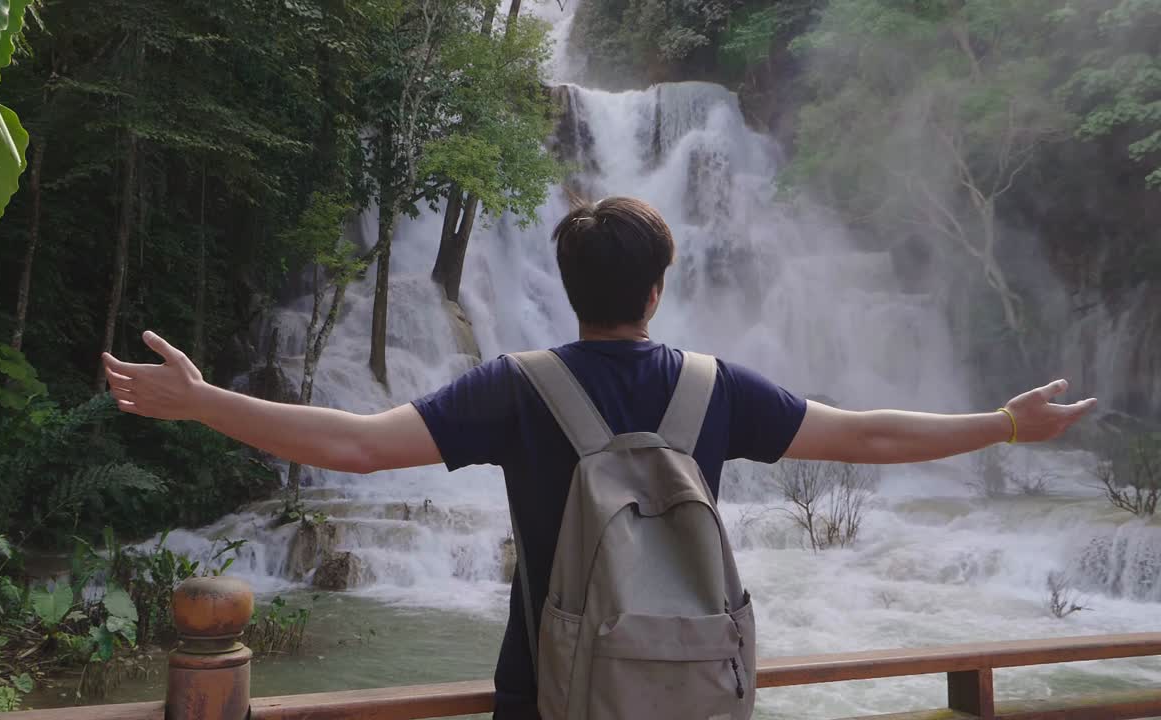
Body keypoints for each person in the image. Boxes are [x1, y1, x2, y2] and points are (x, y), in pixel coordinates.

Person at [101, 196, 1096, 720]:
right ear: (661, 287)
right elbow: (867, 433)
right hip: (691, 693)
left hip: (549, 695)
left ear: (565, 286)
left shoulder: (515, 387)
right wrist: (1001, 423)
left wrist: (202, 404)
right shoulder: (715, 387)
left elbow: (358, 448)